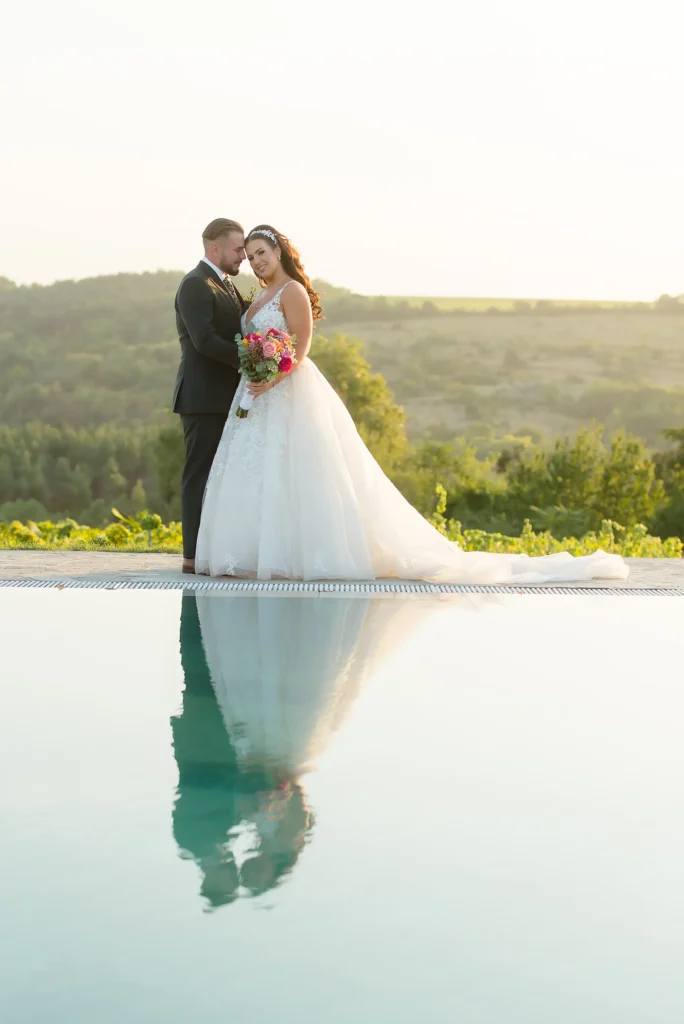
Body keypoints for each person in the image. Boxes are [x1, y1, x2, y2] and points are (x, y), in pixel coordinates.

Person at [195, 225, 629, 585]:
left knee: (300, 473)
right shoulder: (255, 298)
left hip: (288, 391)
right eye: (250, 256)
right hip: (254, 396)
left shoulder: (292, 291)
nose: (256, 261)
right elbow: (255, 344)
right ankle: (258, 552)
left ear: (280, 251)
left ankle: (302, 554)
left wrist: (269, 382)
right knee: (260, 471)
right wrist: (255, 375)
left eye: (262, 252)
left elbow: (301, 350)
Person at [172, 218, 248, 574]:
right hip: (202, 399)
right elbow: (203, 341)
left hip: (226, 399)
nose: (243, 256)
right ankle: (191, 556)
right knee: (199, 475)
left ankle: (216, 550)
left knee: (222, 478)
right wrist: (251, 357)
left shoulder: (226, 285)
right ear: (214, 248)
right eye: (238, 249)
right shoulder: (194, 285)